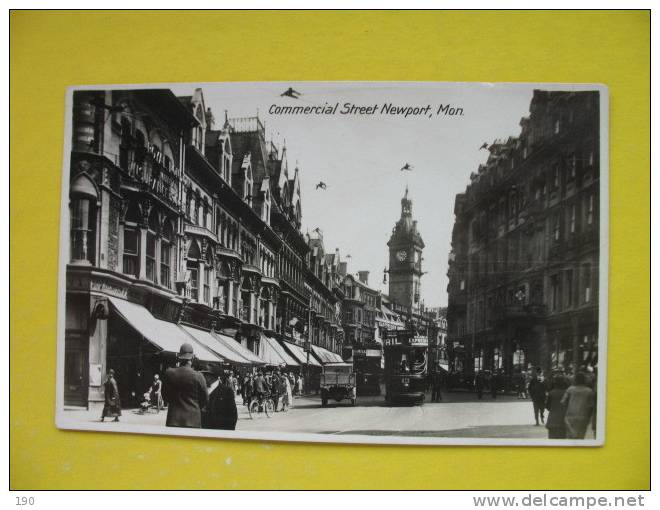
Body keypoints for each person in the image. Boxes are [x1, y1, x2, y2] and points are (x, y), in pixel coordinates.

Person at [162, 343, 208, 428]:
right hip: (193, 420)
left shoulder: (169, 373)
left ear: (179, 357)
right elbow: (205, 399)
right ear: (193, 357)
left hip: (173, 420)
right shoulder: (198, 376)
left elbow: (165, 396)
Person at [561, 372, 595, 439]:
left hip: (570, 417)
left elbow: (563, 402)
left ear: (575, 379)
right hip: (583, 418)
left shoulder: (570, 389)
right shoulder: (589, 391)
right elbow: (591, 406)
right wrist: (589, 418)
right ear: (585, 380)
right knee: (580, 438)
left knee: (570, 437)